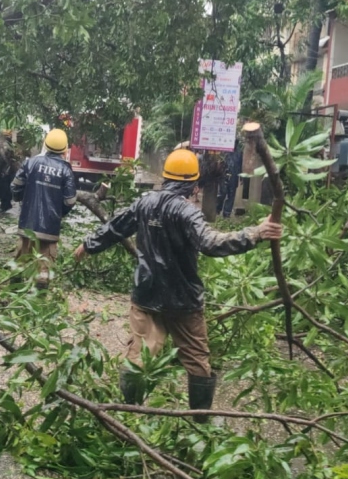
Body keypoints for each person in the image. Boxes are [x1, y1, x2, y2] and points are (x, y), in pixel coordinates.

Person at [74, 147, 282, 415]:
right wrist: (255, 233)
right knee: (197, 360)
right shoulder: (187, 212)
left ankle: (128, 417)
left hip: (146, 296)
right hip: (184, 301)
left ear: (164, 177)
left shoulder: (144, 203)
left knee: (138, 357)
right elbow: (210, 243)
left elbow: (115, 227)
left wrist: (88, 245)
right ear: (194, 184)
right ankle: (200, 421)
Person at [11, 127, 77, 289]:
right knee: (44, 270)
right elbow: (70, 201)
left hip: (27, 224)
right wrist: (59, 214)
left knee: (20, 264)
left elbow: (15, 186)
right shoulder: (66, 170)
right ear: (65, 149)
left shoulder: (31, 162)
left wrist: (20, 200)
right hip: (50, 228)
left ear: (45, 144)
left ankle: (13, 296)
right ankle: (40, 300)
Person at [217, 138, 243, 219]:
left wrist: (241, 176)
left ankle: (227, 213)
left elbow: (240, 165)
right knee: (222, 193)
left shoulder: (239, 153)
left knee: (231, 195)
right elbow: (220, 162)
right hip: (224, 175)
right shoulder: (225, 151)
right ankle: (217, 208)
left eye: (236, 142)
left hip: (234, 176)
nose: (235, 144)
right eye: (234, 142)